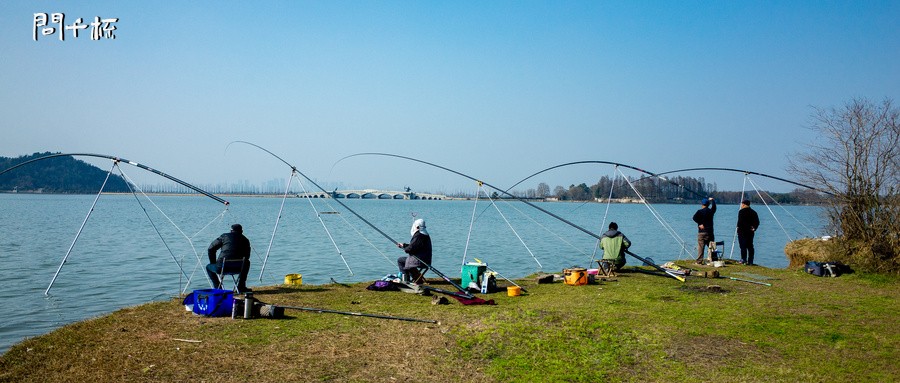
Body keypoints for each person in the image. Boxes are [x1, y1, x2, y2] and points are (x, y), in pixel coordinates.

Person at [207, 224, 252, 293]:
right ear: (242, 231)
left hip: (221, 267)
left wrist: (213, 262)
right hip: (238, 269)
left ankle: (218, 288)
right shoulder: (245, 240)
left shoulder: (224, 236)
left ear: (231, 231)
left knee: (208, 267)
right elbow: (247, 256)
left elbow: (211, 248)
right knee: (247, 262)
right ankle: (241, 287)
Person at [396, 218, 432, 284]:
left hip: (419, 261)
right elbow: (415, 246)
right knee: (406, 260)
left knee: (400, 260)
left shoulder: (419, 235)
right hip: (426, 260)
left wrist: (406, 249)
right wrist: (403, 245)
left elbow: (410, 249)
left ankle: (406, 279)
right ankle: (416, 278)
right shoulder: (425, 235)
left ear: (417, 227)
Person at [692, 197, 717, 264]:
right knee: (711, 246)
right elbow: (714, 207)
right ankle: (713, 259)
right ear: (708, 204)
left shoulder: (699, 211)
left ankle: (699, 261)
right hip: (710, 232)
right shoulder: (711, 211)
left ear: (702, 204)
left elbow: (694, 218)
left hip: (702, 232)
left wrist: (700, 223)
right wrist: (713, 200)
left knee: (701, 247)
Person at [736, 199, 760, 265]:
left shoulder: (741, 212)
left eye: (741, 204)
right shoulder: (754, 212)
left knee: (743, 246)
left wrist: (738, 226)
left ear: (743, 204)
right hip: (750, 232)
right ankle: (750, 261)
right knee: (750, 246)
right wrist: (754, 228)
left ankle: (743, 259)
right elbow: (757, 222)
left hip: (742, 231)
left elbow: (741, 221)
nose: (741, 205)